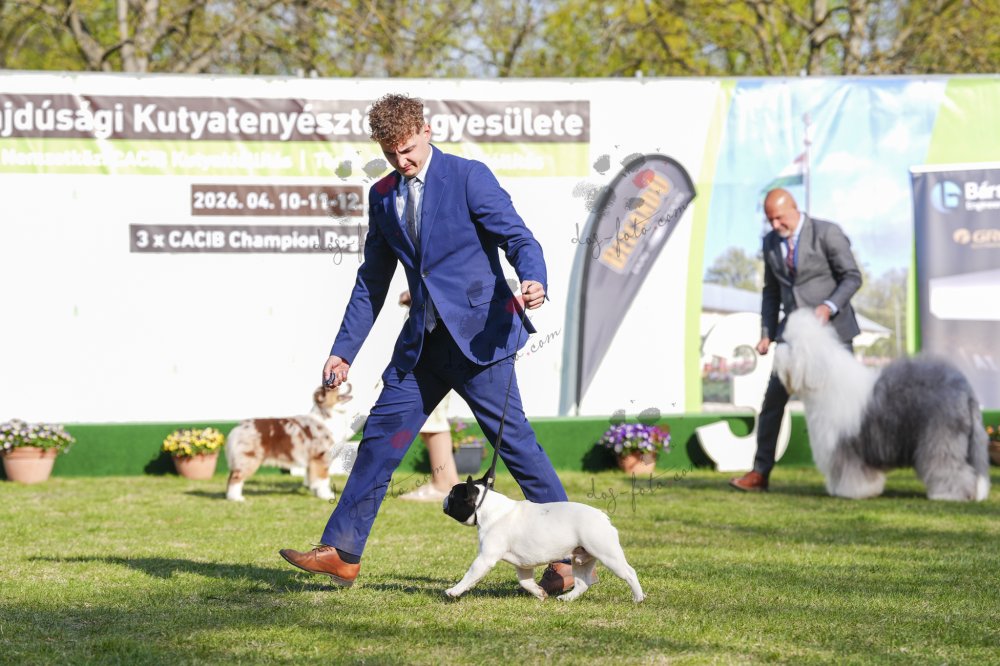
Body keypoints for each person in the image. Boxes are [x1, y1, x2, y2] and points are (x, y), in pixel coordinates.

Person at [279, 93, 574, 594]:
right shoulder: (382, 195)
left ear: (427, 131)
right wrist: (343, 351)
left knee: (516, 445)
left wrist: (533, 279)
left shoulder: (468, 177)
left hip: (481, 340)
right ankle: (343, 553)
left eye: (408, 149)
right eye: (390, 153)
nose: (402, 161)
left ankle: (567, 555)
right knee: (379, 441)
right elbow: (372, 281)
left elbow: (519, 238)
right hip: (422, 346)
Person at [729, 188, 862, 492]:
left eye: (779, 218)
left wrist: (828, 307)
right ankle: (760, 472)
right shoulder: (770, 242)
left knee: (844, 406)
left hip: (834, 335)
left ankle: (853, 474)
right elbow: (771, 291)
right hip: (792, 338)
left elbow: (852, 276)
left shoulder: (827, 233)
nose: (775, 225)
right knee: (773, 401)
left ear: (793, 208)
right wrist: (766, 333)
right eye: (770, 220)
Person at [394, 289, 461, 503]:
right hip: (436, 346)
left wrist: (414, 294)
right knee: (433, 421)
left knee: (433, 422)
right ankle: (450, 481)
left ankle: (441, 484)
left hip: (434, 348)